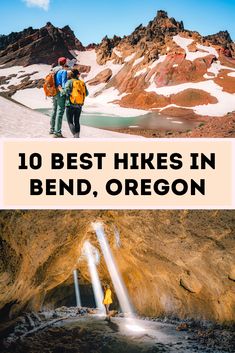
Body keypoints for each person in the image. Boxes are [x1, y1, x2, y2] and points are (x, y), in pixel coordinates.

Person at [60, 68, 88, 138]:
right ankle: (77, 137)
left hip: (70, 104)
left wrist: (60, 89)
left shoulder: (69, 82)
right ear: (77, 75)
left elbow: (65, 92)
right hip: (79, 105)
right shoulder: (82, 83)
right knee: (77, 121)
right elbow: (86, 93)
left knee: (70, 122)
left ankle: (76, 137)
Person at [50, 57, 68, 138]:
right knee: (60, 112)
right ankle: (57, 132)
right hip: (60, 93)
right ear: (64, 63)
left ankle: (52, 129)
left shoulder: (53, 70)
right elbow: (64, 83)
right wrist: (65, 93)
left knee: (54, 110)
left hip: (54, 92)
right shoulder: (63, 71)